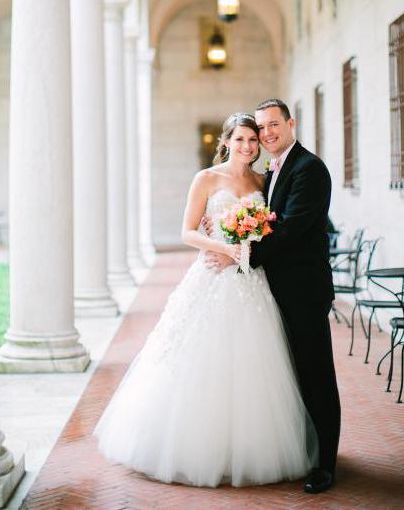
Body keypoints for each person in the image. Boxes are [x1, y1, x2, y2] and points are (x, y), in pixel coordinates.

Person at [94, 112, 318, 488]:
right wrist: (222, 246)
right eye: (241, 139)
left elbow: (275, 231)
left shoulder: (265, 180)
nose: (247, 146)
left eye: (253, 140)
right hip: (213, 273)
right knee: (197, 357)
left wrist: (246, 249)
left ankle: (250, 449)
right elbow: (186, 231)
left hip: (251, 279)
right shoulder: (206, 179)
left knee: (254, 362)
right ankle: (191, 447)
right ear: (226, 141)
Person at [205, 99, 341, 494]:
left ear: (290, 123)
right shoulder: (271, 171)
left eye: (271, 125)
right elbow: (265, 223)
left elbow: (293, 229)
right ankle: (305, 448)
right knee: (290, 374)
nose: (266, 134)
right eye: (260, 128)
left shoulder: (309, 169)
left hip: (303, 290)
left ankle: (325, 465)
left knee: (316, 375)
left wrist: (239, 255)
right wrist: (221, 234)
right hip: (271, 288)